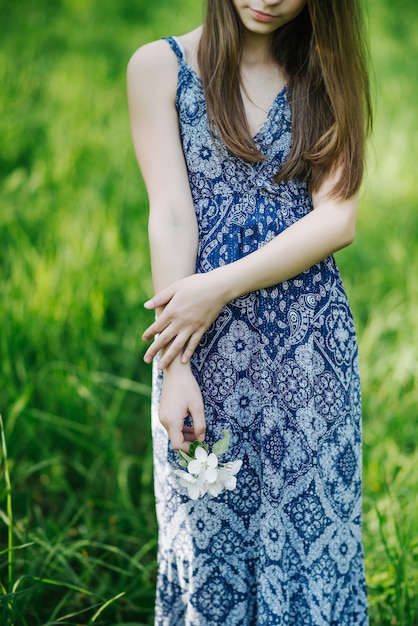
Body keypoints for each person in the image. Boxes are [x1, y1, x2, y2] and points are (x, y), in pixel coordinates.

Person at [127, 0, 372, 623]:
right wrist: (176, 366)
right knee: (208, 542)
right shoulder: (160, 66)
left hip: (308, 348)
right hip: (203, 348)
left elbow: (337, 219)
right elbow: (172, 215)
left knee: (309, 541)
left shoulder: (326, 67)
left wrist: (221, 286)